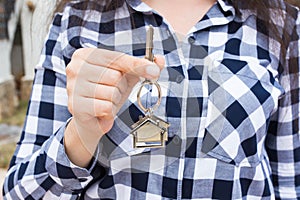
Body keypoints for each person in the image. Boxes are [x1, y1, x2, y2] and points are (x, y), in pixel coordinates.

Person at [3, 0, 300, 199]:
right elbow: (19, 193)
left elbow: (290, 183)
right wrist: (81, 136)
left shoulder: (282, 25)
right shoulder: (78, 22)